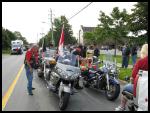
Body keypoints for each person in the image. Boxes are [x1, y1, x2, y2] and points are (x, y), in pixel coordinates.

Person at [115, 44, 148, 111]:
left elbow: (133, 77)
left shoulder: (141, 62)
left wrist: (132, 81)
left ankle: (122, 107)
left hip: (142, 90)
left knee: (125, 88)